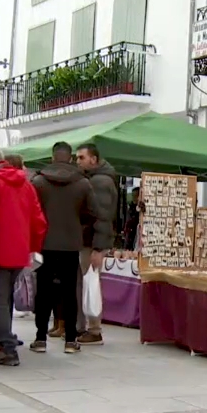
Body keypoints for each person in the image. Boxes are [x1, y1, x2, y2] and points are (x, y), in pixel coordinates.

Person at [0, 148, 47, 365]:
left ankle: (6, 348)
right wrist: (32, 248)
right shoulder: (25, 184)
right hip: (20, 250)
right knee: (4, 297)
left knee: (0, 301)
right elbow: (39, 221)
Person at [30, 142, 106, 354]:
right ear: (70, 158)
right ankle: (71, 339)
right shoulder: (82, 183)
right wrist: (77, 224)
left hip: (45, 243)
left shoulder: (38, 182)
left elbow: (30, 211)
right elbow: (93, 213)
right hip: (72, 243)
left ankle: (40, 338)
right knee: (70, 291)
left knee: (43, 291)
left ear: (53, 157)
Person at [75, 143, 115, 345]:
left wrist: (98, 248)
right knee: (85, 283)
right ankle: (85, 327)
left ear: (93, 159)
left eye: (81, 157)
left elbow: (102, 216)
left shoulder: (100, 182)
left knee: (90, 283)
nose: (78, 161)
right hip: (88, 240)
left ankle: (94, 328)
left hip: (92, 241)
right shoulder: (94, 179)